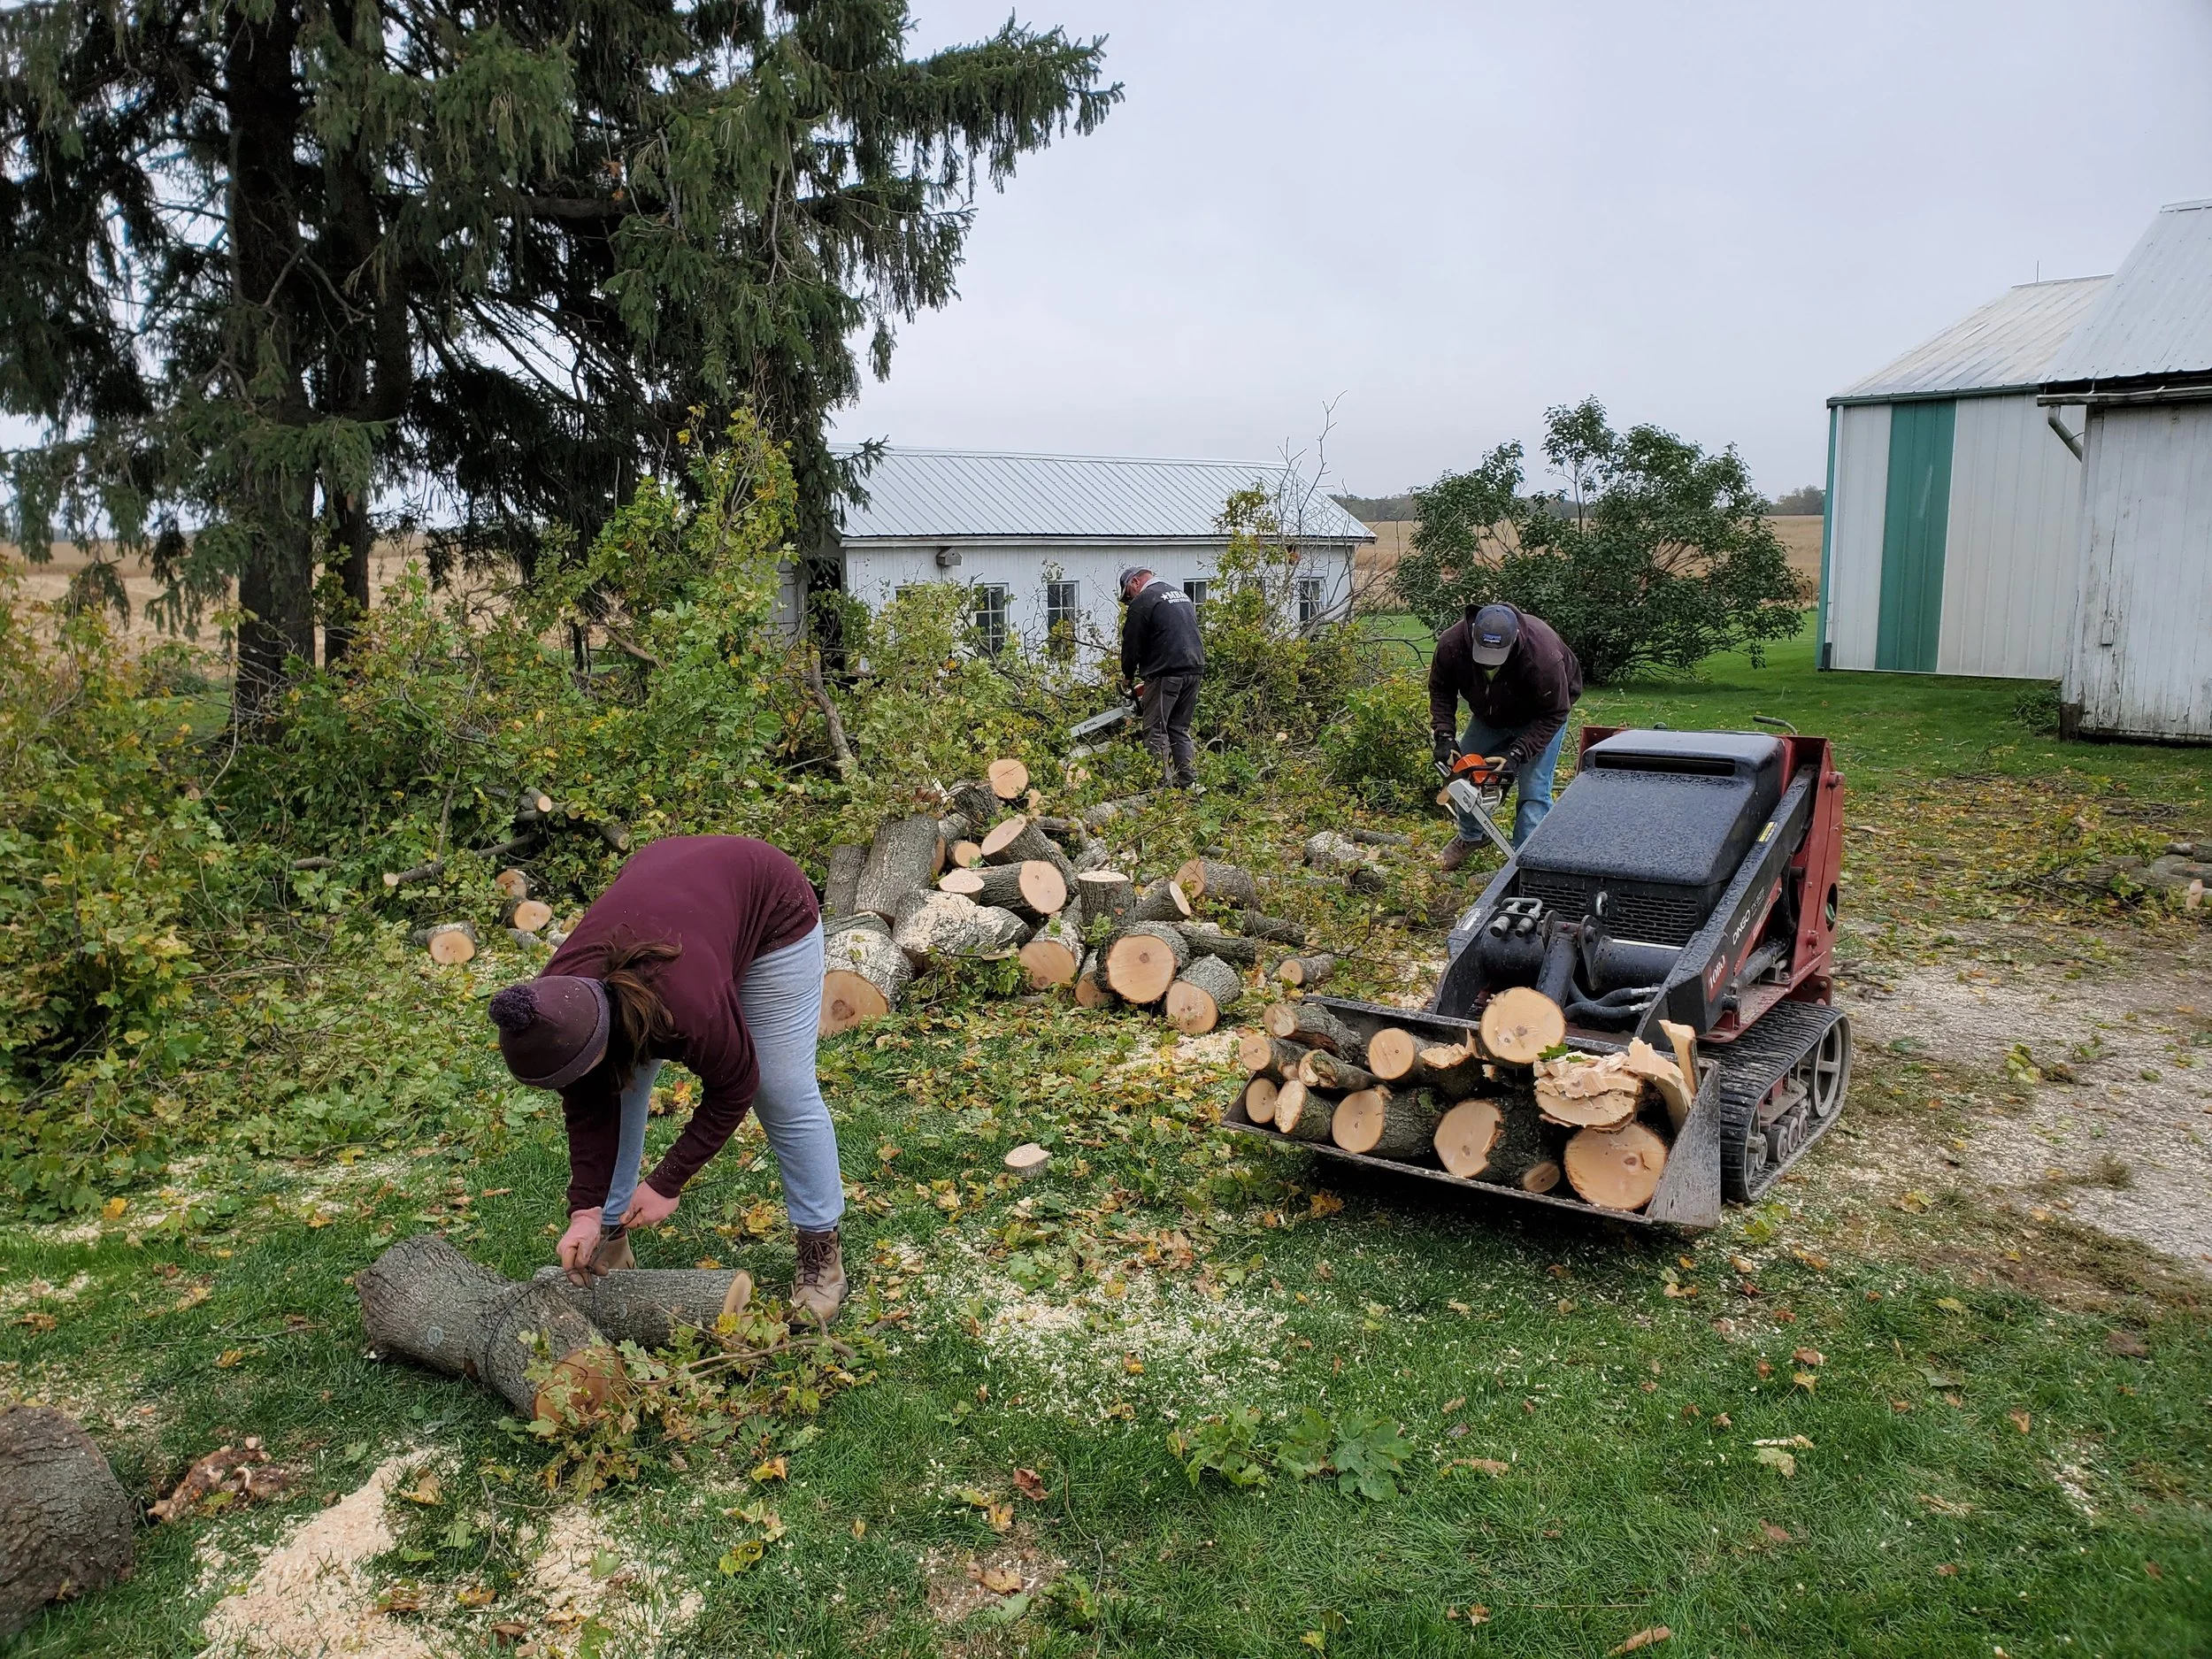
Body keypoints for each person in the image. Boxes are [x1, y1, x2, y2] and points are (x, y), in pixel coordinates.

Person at [486, 835, 849, 1323]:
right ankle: (611, 1235)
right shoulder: (555, 1005)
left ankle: (820, 1250)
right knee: (619, 1084)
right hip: (676, 894)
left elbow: (735, 1084)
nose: (575, 1087)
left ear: (601, 1030)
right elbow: (589, 1104)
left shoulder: (687, 1008)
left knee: (781, 1089)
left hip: (770, 908)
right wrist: (587, 1212)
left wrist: (668, 1181)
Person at [1429, 602, 1584, 870]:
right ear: (1474, 632)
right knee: (1463, 773)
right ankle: (1471, 837)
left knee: (1534, 790)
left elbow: (1555, 713)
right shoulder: (1452, 643)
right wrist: (1444, 735)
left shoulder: (1543, 656)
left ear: (1514, 641)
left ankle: (1527, 861)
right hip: (1490, 716)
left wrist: (1516, 754)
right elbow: (1441, 689)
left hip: (1541, 717)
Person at [1118, 566, 1206, 790]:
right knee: (1178, 728)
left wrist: (1128, 676)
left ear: (1135, 582)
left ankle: (1161, 789)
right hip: (1193, 668)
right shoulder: (1180, 595)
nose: (1130, 601)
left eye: (1129, 595)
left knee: (1155, 729)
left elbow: (1132, 643)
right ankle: (1191, 783)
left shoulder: (1144, 601)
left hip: (1166, 671)